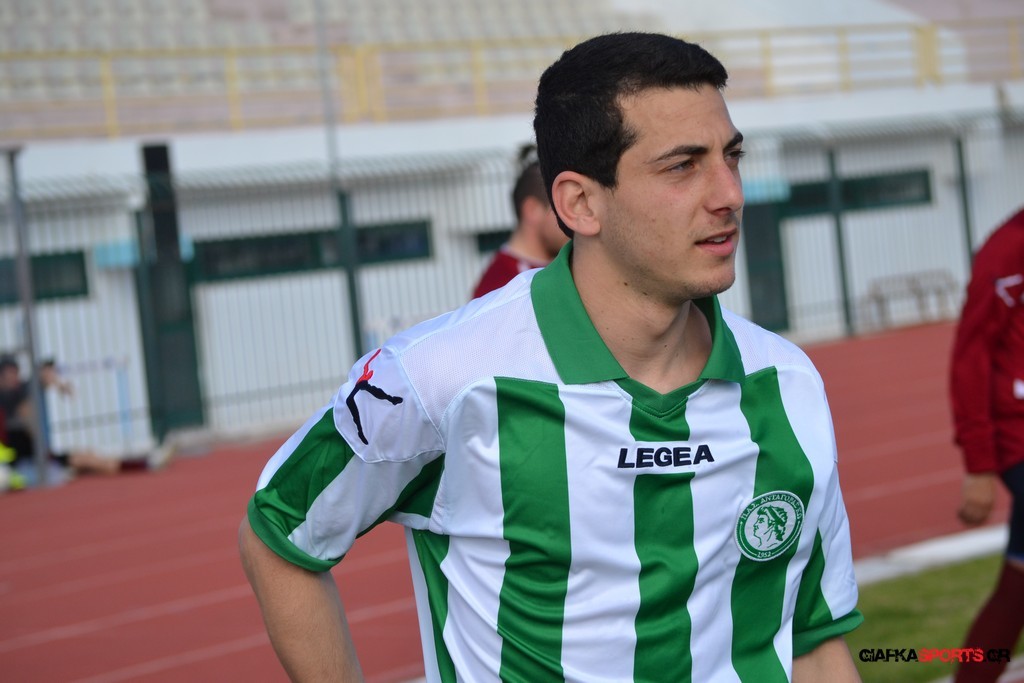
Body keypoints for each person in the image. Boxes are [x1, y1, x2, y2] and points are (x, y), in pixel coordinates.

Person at [239, 32, 863, 682]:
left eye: (731, 156)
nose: (729, 193)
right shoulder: (439, 377)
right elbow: (278, 535)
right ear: (580, 203)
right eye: (683, 165)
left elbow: (814, 643)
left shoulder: (788, 383)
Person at [949, 206, 1024, 683]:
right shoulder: (1007, 250)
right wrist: (979, 464)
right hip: (1020, 437)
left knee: (1017, 587)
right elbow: (970, 356)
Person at [0, 354, 174, 481]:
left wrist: (61, 386)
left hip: (38, 455)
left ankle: (143, 463)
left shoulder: (21, 389)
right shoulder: (8, 397)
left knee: (90, 458)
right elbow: (26, 410)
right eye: (10, 374)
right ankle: (145, 464)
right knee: (87, 460)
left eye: (16, 372)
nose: (14, 377)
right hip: (26, 461)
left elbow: (43, 378)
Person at [471, 143, 569, 298]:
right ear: (532, 210)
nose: (572, 219)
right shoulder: (501, 287)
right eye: (563, 207)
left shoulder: (558, 266)